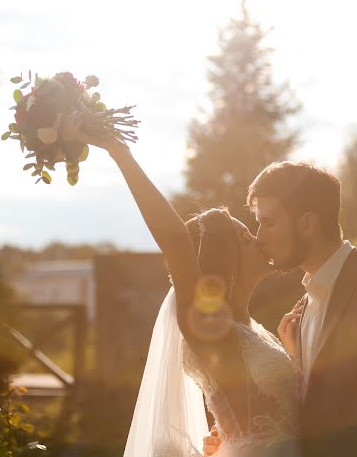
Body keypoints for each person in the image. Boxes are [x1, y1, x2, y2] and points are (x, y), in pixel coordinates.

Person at [61, 115, 301, 457]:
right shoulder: (209, 329)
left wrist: (293, 355)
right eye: (246, 237)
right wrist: (119, 152)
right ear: (227, 261)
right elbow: (175, 241)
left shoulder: (253, 330)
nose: (259, 240)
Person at [204, 161, 357, 457]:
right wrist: (245, 438)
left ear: (307, 224)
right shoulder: (303, 308)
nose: (259, 237)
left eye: (268, 223)